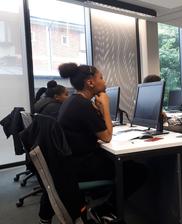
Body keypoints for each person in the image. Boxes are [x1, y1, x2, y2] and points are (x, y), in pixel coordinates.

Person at [37, 63, 146, 223]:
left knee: (126, 163)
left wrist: (99, 111)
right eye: (101, 77)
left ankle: (106, 207)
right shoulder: (82, 105)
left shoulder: (73, 101)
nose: (104, 81)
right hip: (80, 166)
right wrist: (106, 108)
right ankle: (105, 209)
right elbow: (107, 136)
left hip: (70, 163)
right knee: (138, 171)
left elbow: (94, 130)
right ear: (90, 82)